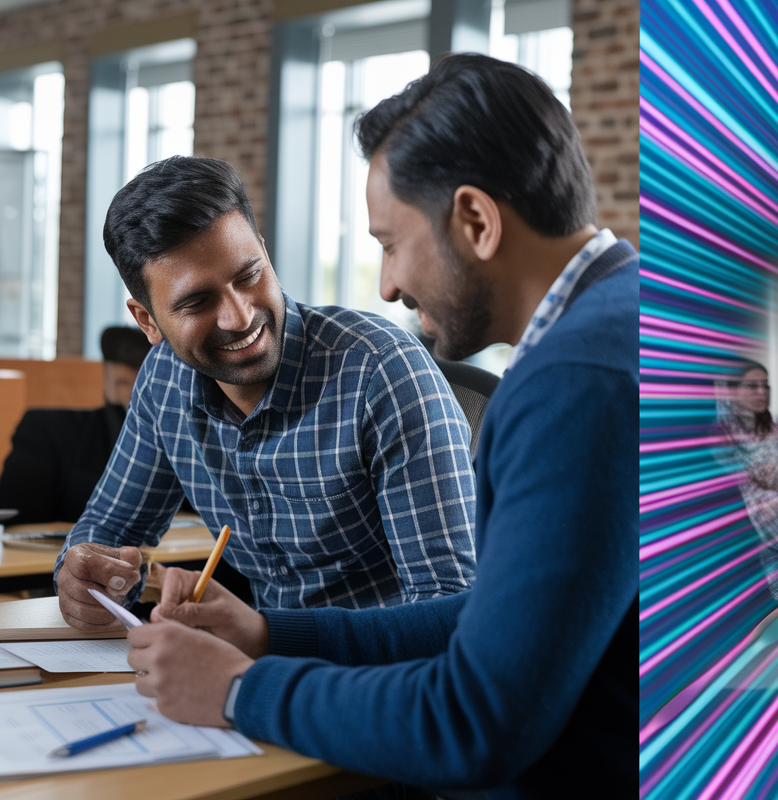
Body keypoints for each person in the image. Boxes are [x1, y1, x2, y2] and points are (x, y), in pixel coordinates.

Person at [124, 54, 636, 797]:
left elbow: (472, 724)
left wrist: (241, 690)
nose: (389, 284)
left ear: (476, 221)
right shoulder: (624, 328)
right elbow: (501, 621)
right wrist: (272, 637)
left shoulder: (575, 381)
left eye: (391, 244)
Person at [53, 156, 478, 629]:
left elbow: (448, 608)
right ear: (148, 320)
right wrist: (84, 574)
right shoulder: (164, 378)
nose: (239, 317)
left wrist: (270, 643)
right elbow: (106, 531)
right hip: (265, 662)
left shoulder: (381, 373)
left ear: (264, 252)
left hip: (385, 678)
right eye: (198, 301)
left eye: (248, 275)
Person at [0, 327, 151, 525]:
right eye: (122, 382)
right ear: (110, 381)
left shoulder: (174, 435)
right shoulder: (47, 431)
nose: (131, 392)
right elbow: (17, 516)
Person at [716, 361, 778, 544]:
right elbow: (745, 485)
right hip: (762, 512)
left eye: (765, 385)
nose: (762, 392)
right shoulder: (722, 433)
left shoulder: (773, 426)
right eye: (752, 386)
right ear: (732, 391)